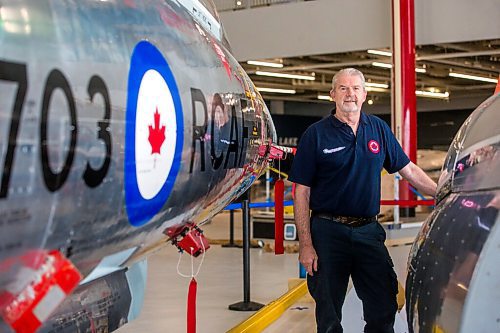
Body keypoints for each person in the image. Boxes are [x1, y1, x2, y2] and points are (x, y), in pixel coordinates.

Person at [288, 68, 437, 333]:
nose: (350, 94)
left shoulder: (377, 129)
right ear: (332, 94)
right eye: (343, 88)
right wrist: (306, 244)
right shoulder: (316, 134)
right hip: (327, 232)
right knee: (329, 313)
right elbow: (301, 191)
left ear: (365, 94)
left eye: (356, 88)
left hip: (368, 231)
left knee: (383, 304)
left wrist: (442, 193)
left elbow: (409, 170)